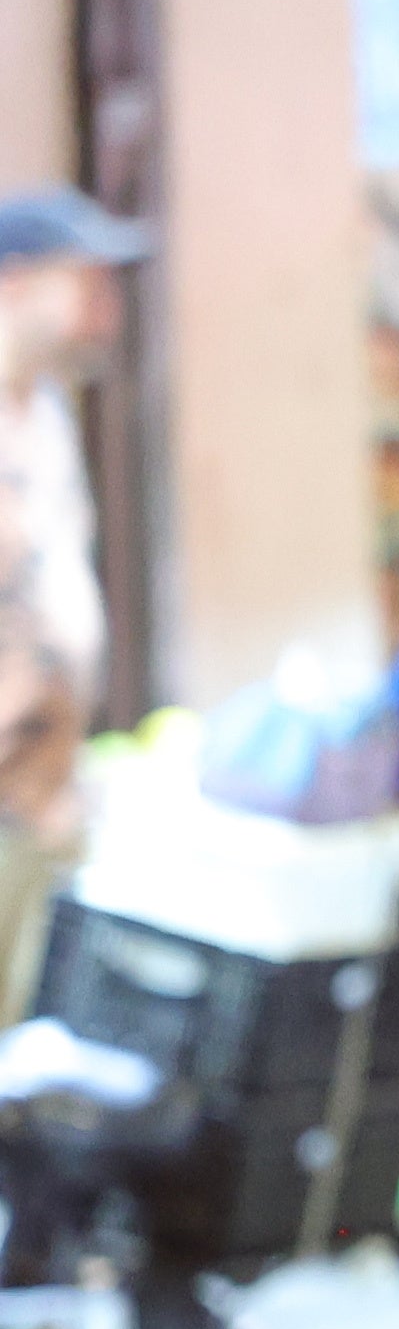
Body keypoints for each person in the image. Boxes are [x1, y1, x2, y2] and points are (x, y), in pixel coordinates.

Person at [0, 186, 142, 1013]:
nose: (104, 308)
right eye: (83, 282)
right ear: (13, 285)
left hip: (38, 807)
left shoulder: (45, 411)